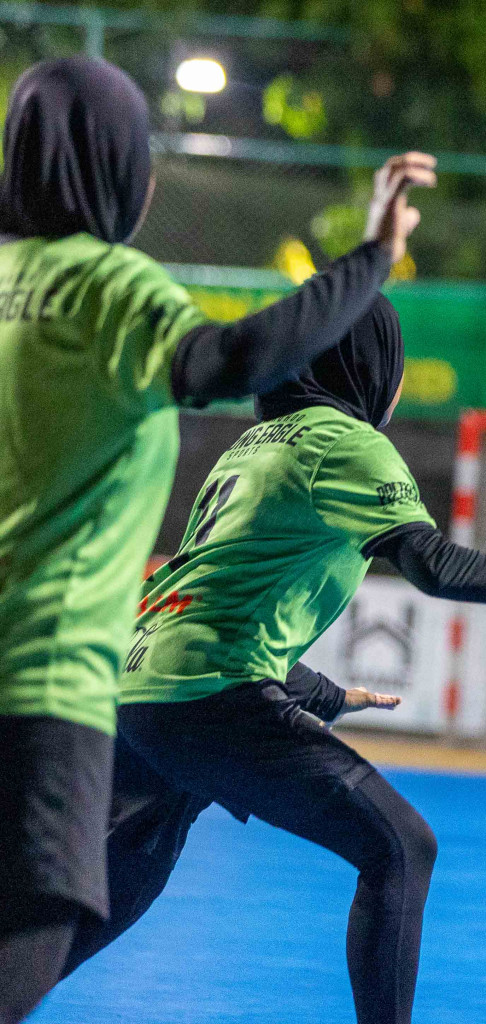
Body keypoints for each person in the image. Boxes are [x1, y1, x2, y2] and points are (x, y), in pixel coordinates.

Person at [54, 295, 486, 1024]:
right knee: (401, 848)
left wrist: (322, 693)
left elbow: (217, 594)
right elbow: (434, 564)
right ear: (369, 363)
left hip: (144, 686)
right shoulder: (345, 441)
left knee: (122, 883)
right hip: (209, 695)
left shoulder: (252, 447)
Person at [0, 55, 434, 1024]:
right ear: (114, 169)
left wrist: (313, 689)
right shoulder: (103, 285)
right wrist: (371, 257)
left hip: (99, 677)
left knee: (96, 886)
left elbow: (206, 600)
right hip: (50, 671)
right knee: (32, 927)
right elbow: (229, 356)